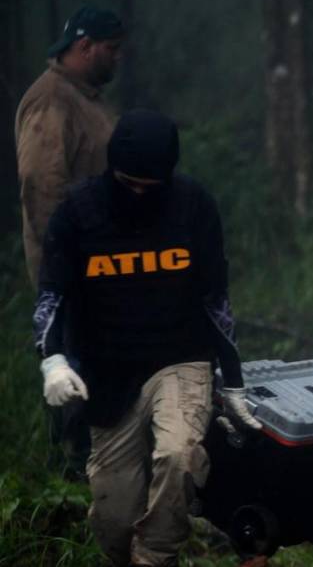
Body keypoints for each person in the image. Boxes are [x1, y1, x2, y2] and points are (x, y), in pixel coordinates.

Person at [33, 110, 262, 567]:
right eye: (128, 183)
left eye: (149, 187)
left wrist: (232, 380)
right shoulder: (78, 214)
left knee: (178, 456)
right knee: (115, 518)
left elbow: (215, 299)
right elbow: (52, 294)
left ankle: (157, 554)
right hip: (108, 371)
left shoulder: (194, 207)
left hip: (180, 358)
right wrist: (53, 359)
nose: (138, 194)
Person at [15, 4, 124, 478]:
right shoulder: (51, 101)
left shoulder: (87, 98)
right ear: (85, 47)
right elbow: (43, 191)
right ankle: (73, 480)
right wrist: (69, 268)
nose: (117, 59)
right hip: (73, 272)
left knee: (102, 372)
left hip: (104, 271)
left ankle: (105, 468)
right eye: (111, 50)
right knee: (70, 373)